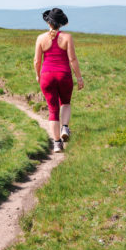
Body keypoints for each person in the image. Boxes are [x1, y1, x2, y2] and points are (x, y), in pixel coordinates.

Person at [34, 8, 85, 153]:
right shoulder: (67, 37)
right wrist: (79, 77)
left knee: (52, 110)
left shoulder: (40, 38)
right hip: (64, 75)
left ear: (48, 22)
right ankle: (65, 127)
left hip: (47, 76)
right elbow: (72, 59)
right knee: (66, 103)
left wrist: (38, 75)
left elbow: (37, 61)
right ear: (61, 24)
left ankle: (57, 143)